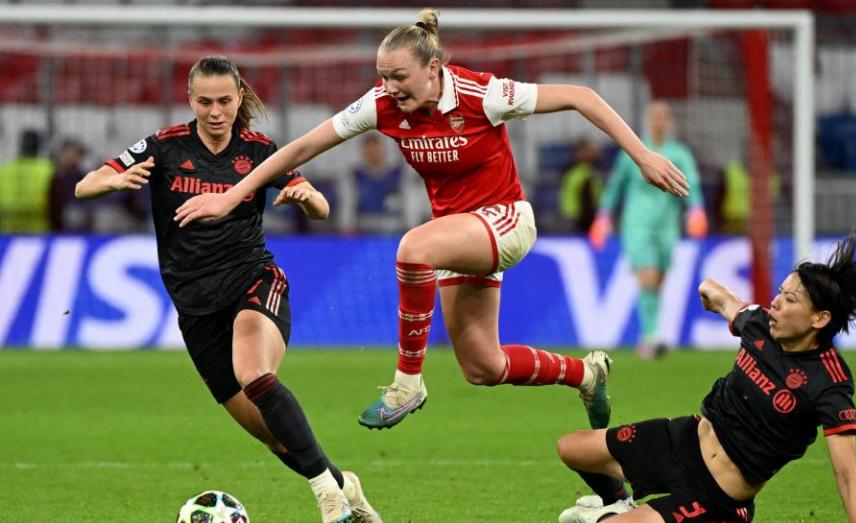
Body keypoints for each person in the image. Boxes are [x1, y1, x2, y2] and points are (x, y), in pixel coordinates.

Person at [173, 10, 690, 433]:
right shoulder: (382, 105)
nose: (390, 87)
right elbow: (305, 145)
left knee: (413, 247)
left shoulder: (482, 94)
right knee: (482, 366)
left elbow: (582, 96)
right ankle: (587, 374)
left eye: (399, 76)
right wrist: (232, 196)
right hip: (459, 235)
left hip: (507, 219)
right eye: (383, 77)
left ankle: (407, 383)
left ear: (433, 67)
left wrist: (642, 156)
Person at [74, 55, 385, 523]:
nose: (215, 111)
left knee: (254, 373)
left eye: (224, 101)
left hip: (253, 281)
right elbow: (84, 183)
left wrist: (306, 198)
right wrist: (110, 181)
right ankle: (347, 484)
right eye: (205, 102)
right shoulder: (166, 147)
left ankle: (325, 489)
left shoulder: (260, 149)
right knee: (271, 434)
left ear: (239, 98)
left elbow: (321, 204)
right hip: (195, 309)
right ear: (190, 100)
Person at [554, 234, 856, 523]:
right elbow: (720, 297)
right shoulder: (759, 324)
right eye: (780, 292)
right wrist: (709, 290)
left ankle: (619, 521)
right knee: (570, 448)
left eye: (789, 299)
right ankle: (619, 504)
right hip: (683, 441)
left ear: (819, 319)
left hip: (716, 500)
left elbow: (847, 474)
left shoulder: (829, 384)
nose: (776, 303)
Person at [588, 101, 708, 359]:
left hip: (667, 226)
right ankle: (650, 338)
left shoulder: (679, 154)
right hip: (637, 225)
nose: (659, 121)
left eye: (664, 116)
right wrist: (603, 217)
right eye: (655, 116)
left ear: (670, 121)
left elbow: (693, 186)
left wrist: (696, 210)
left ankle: (650, 335)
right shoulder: (633, 152)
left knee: (659, 280)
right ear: (647, 119)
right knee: (648, 277)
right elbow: (615, 187)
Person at [339, 133, 404, 233]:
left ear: (383, 148)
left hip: (393, 229)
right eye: (368, 147)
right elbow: (349, 204)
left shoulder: (398, 175)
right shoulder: (356, 176)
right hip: (364, 230)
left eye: (375, 147)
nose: (372, 151)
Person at [0, 129, 55, 233]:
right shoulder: (48, 170)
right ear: (38, 147)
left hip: (7, 233)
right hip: (38, 233)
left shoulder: (4, 170)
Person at [558, 137, 603, 233]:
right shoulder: (584, 173)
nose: (594, 152)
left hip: (569, 217)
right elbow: (587, 203)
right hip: (578, 220)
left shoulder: (572, 170)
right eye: (589, 149)